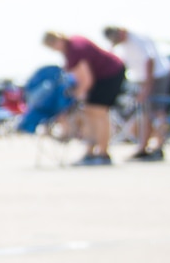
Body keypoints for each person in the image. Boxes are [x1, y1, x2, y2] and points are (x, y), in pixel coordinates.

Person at [42, 31, 126, 165]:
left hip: (109, 75)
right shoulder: (72, 46)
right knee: (88, 112)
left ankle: (103, 153)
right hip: (101, 77)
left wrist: (75, 96)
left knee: (99, 112)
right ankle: (90, 152)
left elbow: (87, 80)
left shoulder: (75, 50)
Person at [104, 26, 170, 160]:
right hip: (140, 79)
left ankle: (157, 146)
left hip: (156, 77)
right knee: (143, 113)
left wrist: (147, 87)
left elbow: (149, 61)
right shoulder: (121, 43)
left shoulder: (137, 39)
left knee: (157, 112)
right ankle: (144, 146)